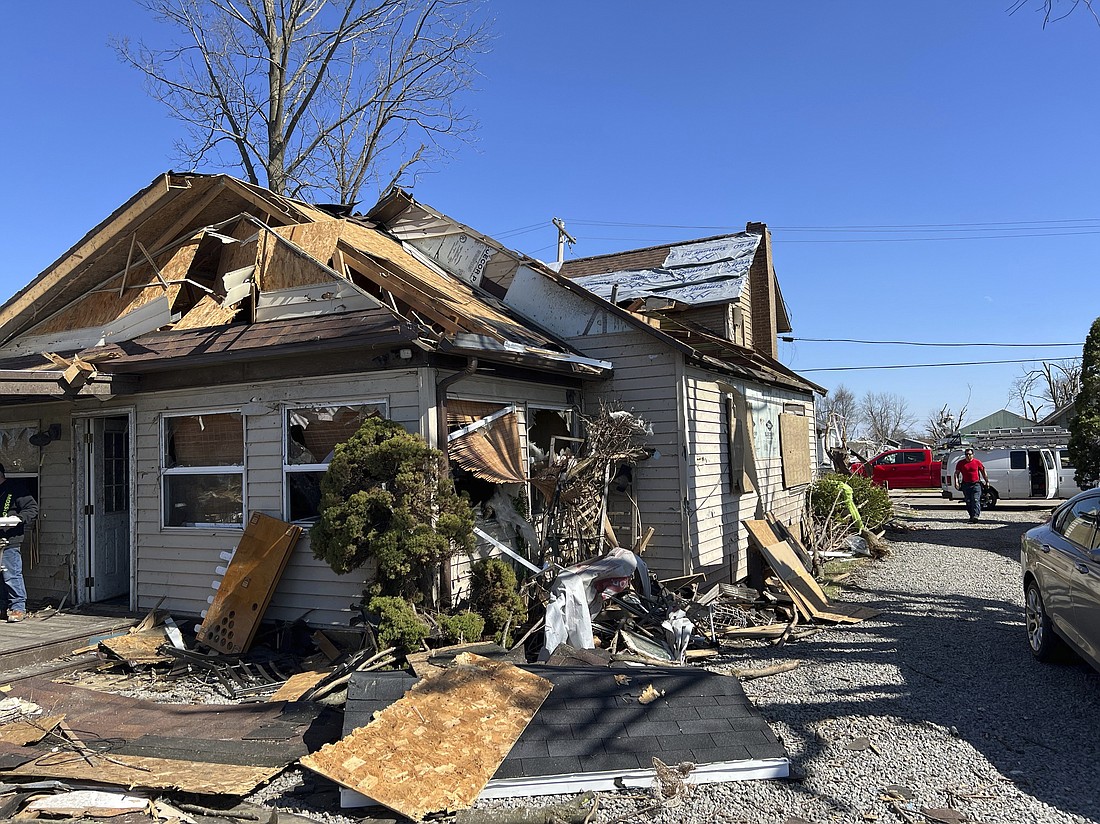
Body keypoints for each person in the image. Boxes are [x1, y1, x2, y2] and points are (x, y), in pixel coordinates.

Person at [0, 463, 39, 622]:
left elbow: (32, 509)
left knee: (11, 574)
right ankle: (3, 606)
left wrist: (18, 519)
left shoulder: (16, 489)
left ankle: (18, 607)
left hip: (9, 538)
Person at [953, 448, 990, 523]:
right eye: (966, 454)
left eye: (970, 454)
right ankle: (971, 516)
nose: (968, 456)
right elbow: (956, 473)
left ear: (973, 455)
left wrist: (987, 481)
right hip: (966, 484)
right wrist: (956, 482)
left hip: (976, 484)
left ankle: (976, 516)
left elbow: (983, 471)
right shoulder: (961, 463)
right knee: (968, 501)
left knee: (976, 500)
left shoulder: (977, 462)